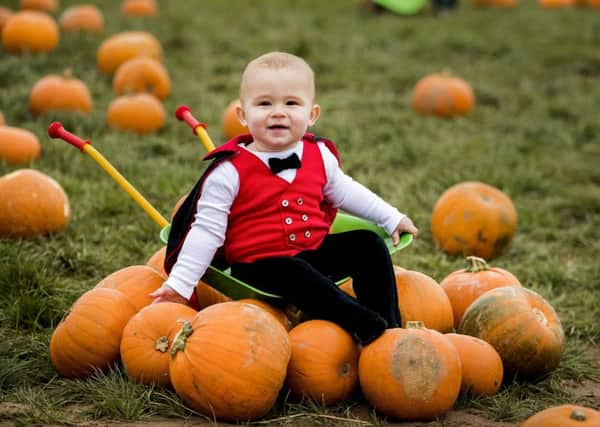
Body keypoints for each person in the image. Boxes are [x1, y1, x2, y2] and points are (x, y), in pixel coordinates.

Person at [150, 52, 418, 345]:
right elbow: (206, 231)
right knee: (295, 272)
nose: (278, 112)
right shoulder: (228, 173)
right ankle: (361, 322)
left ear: (311, 114)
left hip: (311, 252)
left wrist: (391, 217)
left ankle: (390, 334)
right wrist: (180, 284)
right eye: (265, 103)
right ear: (242, 115)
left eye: (291, 103)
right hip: (258, 266)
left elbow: (347, 191)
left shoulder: (320, 156)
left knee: (368, 245)